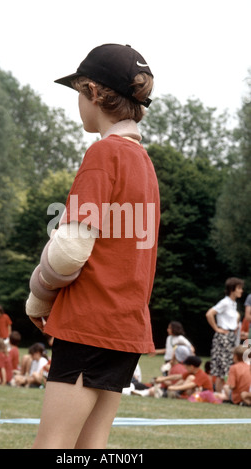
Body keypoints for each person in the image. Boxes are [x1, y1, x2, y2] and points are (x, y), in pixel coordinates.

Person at [26, 44, 160, 449]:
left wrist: (38, 295)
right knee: (90, 449)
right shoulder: (145, 164)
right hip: (125, 328)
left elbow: (70, 250)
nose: (78, 104)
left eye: (78, 92)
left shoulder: (104, 153)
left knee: (53, 446)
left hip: (89, 323)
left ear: (94, 93)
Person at [206, 277, 244, 392]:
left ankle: (223, 393)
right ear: (232, 289)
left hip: (231, 337)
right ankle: (219, 394)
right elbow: (209, 314)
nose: (241, 290)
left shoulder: (233, 304)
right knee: (221, 368)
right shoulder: (225, 302)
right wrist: (217, 328)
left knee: (228, 366)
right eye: (239, 288)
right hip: (224, 337)